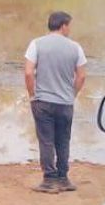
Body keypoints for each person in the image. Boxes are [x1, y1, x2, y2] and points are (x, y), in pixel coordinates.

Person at [24, 11, 87, 194]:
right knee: (63, 140)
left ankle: (49, 180)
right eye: (69, 26)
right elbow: (82, 76)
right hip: (65, 103)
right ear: (63, 26)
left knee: (46, 141)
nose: (69, 29)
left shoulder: (36, 44)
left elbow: (28, 73)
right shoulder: (76, 47)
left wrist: (32, 95)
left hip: (43, 101)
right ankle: (63, 178)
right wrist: (71, 94)